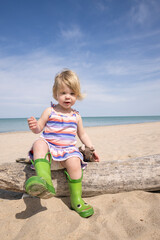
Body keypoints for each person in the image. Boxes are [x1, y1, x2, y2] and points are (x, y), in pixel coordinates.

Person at [25, 69, 100, 218]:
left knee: (74, 161)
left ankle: (76, 200)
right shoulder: (49, 111)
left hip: (67, 153)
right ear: (56, 94)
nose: (68, 97)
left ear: (77, 95)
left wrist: (91, 148)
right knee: (39, 143)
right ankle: (44, 181)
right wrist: (35, 127)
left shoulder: (76, 116)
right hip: (48, 155)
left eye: (72, 93)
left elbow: (82, 134)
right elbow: (39, 127)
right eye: (63, 93)